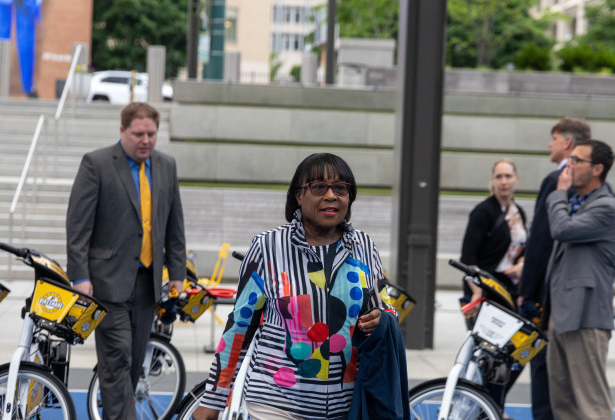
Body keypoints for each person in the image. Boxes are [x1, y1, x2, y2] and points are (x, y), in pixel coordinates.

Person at [194, 153, 396, 420]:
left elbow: (386, 311)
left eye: (340, 188)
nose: (331, 195)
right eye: (319, 187)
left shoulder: (364, 247)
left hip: (347, 406)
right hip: (276, 402)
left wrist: (381, 318)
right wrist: (214, 398)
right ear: (298, 195)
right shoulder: (267, 247)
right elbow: (240, 326)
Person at [66, 102, 186, 420]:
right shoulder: (97, 164)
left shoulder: (166, 166)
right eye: (138, 134)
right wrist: (79, 276)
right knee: (117, 359)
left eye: (151, 134)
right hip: (107, 282)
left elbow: (174, 224)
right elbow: (78, 227)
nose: (145, 140)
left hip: (147, 284)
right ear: (122, 131)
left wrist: (176, 272)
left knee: (131, 366)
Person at [517, 117, 591, 420]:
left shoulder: (556, 180)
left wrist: (526, 290)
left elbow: (541, 241)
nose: (550, 144)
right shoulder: (593, 187)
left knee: (543, 371)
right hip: (571, 294)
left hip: (545, 295)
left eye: (555, 137)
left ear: (568, 143)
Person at [544, 139, 615, 420]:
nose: (569, 165)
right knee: (564, 406)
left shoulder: (605, 208)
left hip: (586, 317)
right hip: (563, 314)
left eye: (577, 160)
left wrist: (558, 194)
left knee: (592, 406)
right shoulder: (578, 203)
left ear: (597, 169)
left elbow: (562, 229)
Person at [461, 159, 528, 302]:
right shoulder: (483, 212)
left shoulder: (519, 212)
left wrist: (521, 266)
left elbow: (523, 248)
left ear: (517, 179)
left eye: (508, 176)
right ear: (492, 180)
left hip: (510, 287)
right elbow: (468, 256)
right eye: (499, 176)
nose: (504, 181)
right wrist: (477, 292)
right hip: (486, 288)